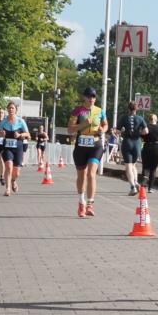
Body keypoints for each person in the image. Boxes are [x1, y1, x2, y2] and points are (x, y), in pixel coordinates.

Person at [68, 86, 108, 218]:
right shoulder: (77, 111)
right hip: (81, 145)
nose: (92, 99)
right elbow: (70, 130)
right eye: (89, 96)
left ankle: (90, 204)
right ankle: (81, 202)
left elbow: (105, 124)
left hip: (95, 145)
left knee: (91, 174)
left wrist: (103, 129)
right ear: (84, 97)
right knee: (81, 176)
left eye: (94, 96)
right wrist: (83, 124)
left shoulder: (99, 111)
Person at [116, 101, 148, 195]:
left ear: (128, 109)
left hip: (127, 142)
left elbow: (117, 131)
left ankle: (132, 187)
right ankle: (136, 182)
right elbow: (146, 131)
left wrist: (122, 131)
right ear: (136, 109)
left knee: (128, 166)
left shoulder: (123, 118)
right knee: (133, 165)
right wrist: (138, 133)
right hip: (137, 143)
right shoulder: (140, 118)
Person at [0, 102, 30, 196]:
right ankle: (7, 189)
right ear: (7, 110)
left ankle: (13, 180)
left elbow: (28, 135)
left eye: (12, 108)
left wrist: (20, 135)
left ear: (16, 110)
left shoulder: (21, 121)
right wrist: (1, 133)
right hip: (7, 147)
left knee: (16, 172)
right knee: (8, 166)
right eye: (9, 108)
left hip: (18, 147)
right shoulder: (4, 121)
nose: (11, 110)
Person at [141, 114, 158, 193]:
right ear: (156, 120)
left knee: (146, 167)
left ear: (149, 119)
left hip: (147, 147)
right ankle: (150, 188)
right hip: (157, 148)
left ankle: (144, 182)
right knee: (153, 169)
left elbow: (141, 135)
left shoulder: (146, 127)